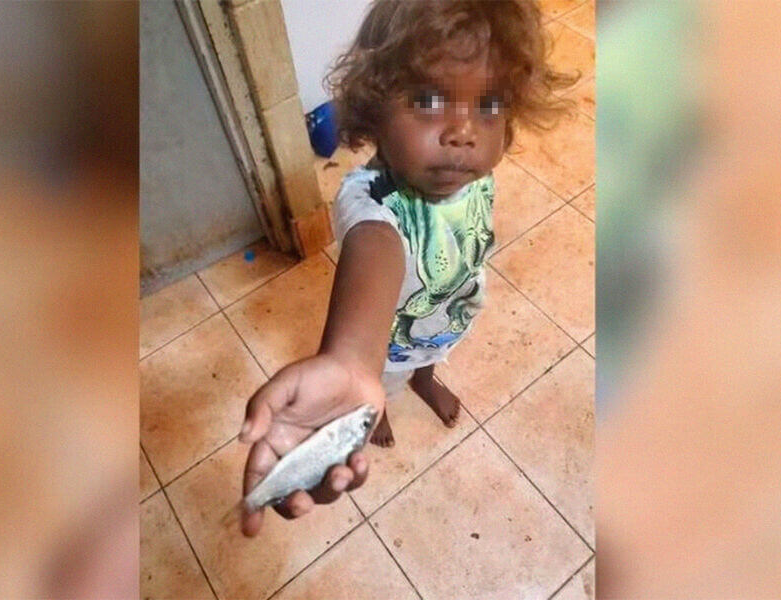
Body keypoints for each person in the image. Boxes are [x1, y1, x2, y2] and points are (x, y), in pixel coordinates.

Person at [237, 0, 575, 537]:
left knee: (432, 355)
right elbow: (376, 250)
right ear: (373, 109)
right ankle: (383, 402)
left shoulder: (470, 173)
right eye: (428, 100)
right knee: (384, 379)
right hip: (388, 343)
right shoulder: (371, 200)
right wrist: (352, 362)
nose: (463, 131)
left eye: (489, 104)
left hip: (448, 315)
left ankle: (426, 379)